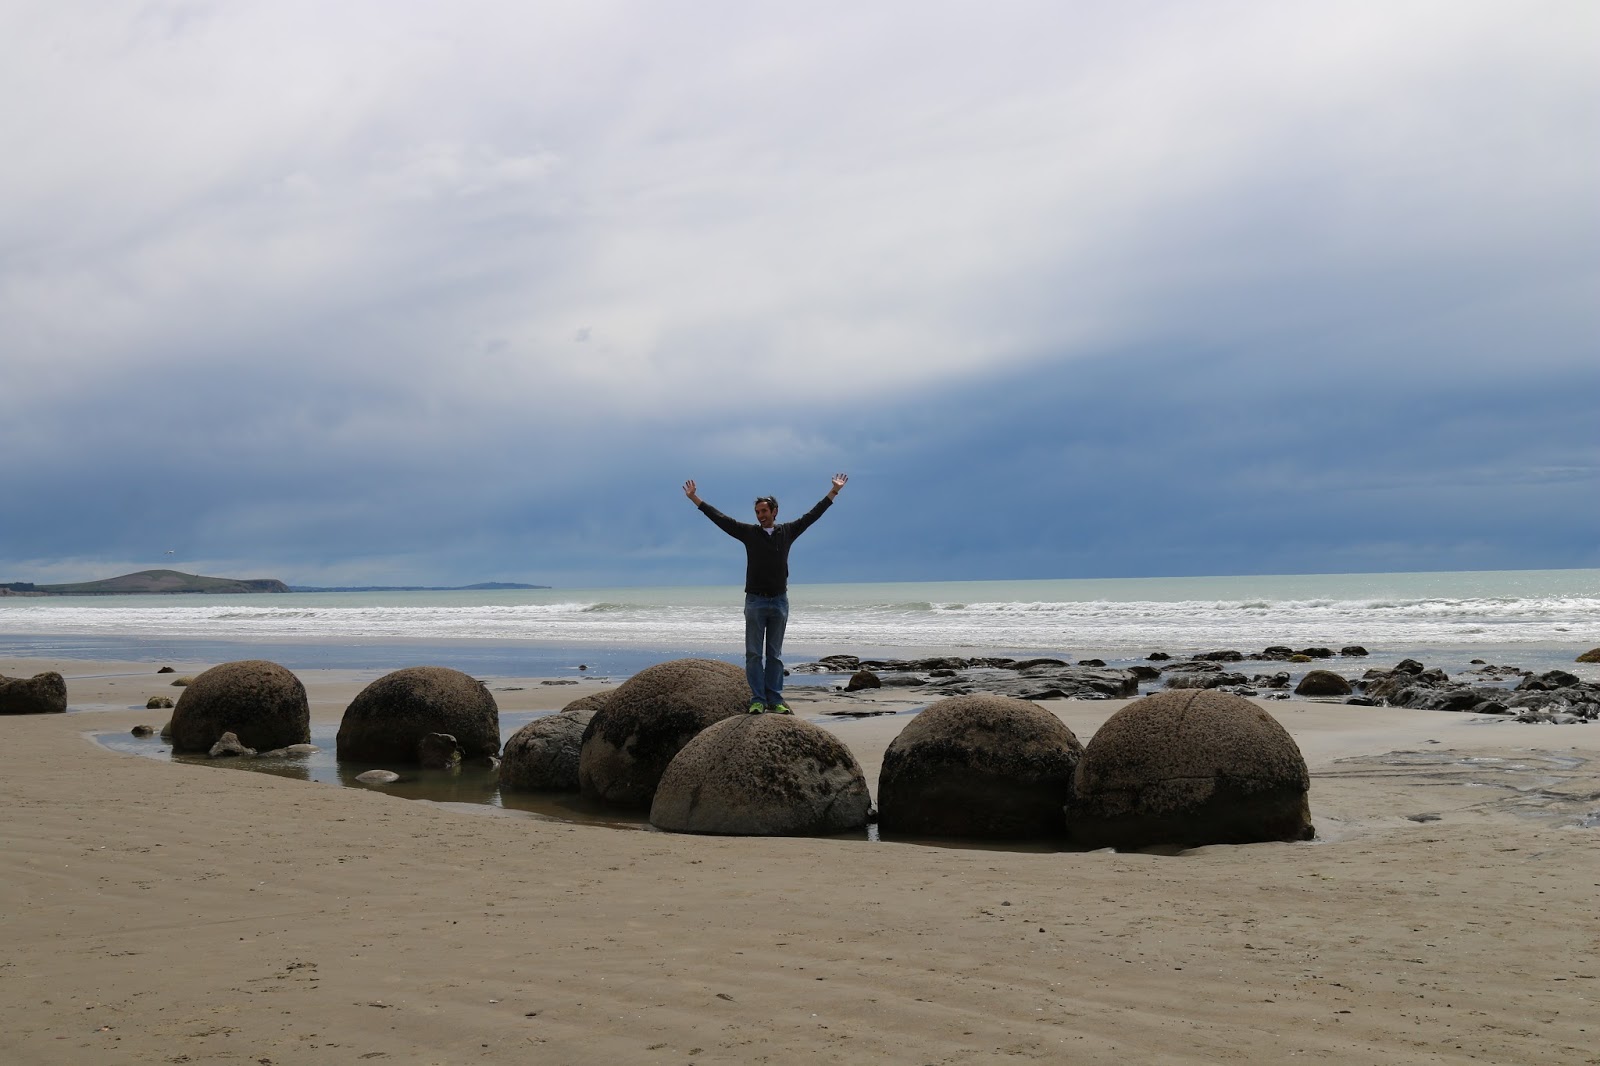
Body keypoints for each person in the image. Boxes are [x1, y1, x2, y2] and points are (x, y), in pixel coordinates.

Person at [683, 473, 848, 714]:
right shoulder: (749, 533)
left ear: (774, 511)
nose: (760, 516)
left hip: (780, 601)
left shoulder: (788, 531)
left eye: (764, 511)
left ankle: (775, 699)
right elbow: (721, 519)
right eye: (757, 512)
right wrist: (695, 499)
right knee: (753, 654)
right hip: (755, 601)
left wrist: (834, 491)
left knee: (774, 655)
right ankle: (758, 699)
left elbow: (813, 515)